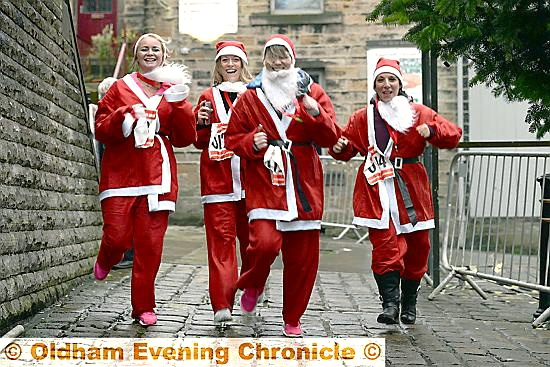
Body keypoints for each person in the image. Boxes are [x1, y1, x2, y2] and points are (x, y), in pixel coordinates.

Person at [329, 57, 462, 325]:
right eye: (381, 80)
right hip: (377, 190)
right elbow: (344, 148)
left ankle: (409, 301)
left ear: (399, 84)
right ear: (375, 85)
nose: (386, 84)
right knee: (386, 246)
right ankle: (390, 304)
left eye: (391, 80)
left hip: (411, 189)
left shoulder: (419, 112)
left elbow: (454, 134)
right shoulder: (362, 117)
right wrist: (341, 147)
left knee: (418, 247)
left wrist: (433, 130)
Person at [225, 34, 341, 337]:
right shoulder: (251, 96)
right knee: (263, 245)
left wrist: (315, 114)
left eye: (283, 56)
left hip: (304, 181)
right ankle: (254, 281)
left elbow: (331, 138)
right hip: (266, 179)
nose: (277, 62)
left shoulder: (312, 91)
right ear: (263, 60)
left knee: (302, 259)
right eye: (272, 56)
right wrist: (252, 141)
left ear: (293, 58)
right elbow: (233, 138)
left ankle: (293, 317)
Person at [92, 33, 197, 326]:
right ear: (137, 55)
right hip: (121, 172)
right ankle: (106, 257)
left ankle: (143, 307)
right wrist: (126, 114)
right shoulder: (120, 88)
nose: (150, 53)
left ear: (164, 55)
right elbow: (101, 128)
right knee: (117, 237)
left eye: (156, 49)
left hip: (158, 174)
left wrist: (181, 106)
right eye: (145, 49)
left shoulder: (173, 90)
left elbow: (186, 138)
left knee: (149, 247)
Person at [193, 41, 253, 325]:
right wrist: (202, 123)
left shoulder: (255, 96)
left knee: (254, 244)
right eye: (225, 61)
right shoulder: (208, 96)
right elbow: (199, 142)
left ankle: (252, 284)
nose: (230, 65)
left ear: (243, 65)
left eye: (235, 60)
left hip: (253, 183)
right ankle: (222, 302)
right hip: (218, 182)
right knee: (221, 243)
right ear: (218, 66)